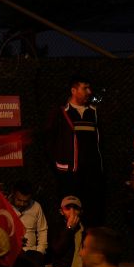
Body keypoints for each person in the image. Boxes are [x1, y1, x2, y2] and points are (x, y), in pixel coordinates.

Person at [48, 76, 105, 225]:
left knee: (92, 216)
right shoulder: (61, 113)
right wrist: (59, 165)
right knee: (70, 216)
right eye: (85, 88)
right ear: (73, 90)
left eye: (89, 87)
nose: (89, 91)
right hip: (69, 175)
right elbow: (50, 140)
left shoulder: (94, 113)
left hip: (91, 174)